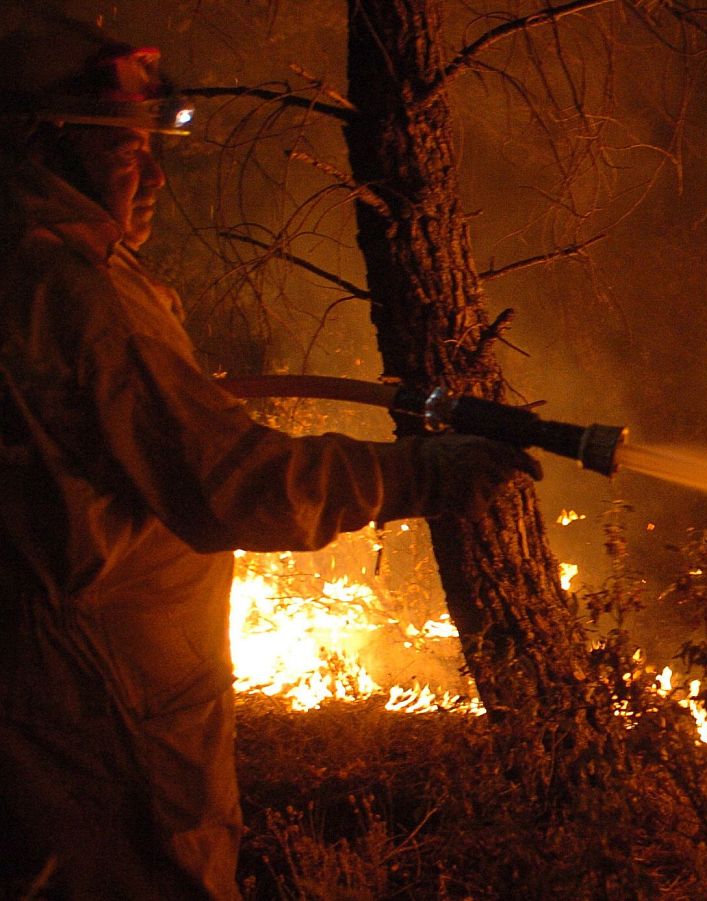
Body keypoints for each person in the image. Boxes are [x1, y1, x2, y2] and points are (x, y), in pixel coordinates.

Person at [0, 8, 540, 898]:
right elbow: (237, 486)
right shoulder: (75, 291)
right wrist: (423, 475)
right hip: (104, 716)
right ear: (50, 144)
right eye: (132, 151)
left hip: (51, 701)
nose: (158, 178)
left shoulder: (32, 265)